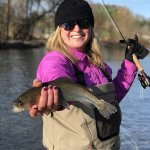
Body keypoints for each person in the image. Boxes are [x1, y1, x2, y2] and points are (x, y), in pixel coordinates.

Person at [28, 0, 148, 149]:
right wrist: (54, 101)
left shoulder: (97, 64)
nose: (77, 29)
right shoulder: (54, 60)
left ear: (90, 28)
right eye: (68, 25)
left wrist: (130, 62)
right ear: (59, 29)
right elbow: (54, 76)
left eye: (83, 23)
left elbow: (113, 99)